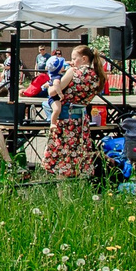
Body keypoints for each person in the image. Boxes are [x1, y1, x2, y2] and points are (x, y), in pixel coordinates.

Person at [43, 44, 106, 179]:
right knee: (80, 155)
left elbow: (54, 91)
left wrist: (50, 86)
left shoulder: (73, 72)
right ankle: (81, 188)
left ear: (83, 58)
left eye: (74, 58)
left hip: (66, 120)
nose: (71, 61)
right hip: (82, 121)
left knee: (63, 157)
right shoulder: (97, 76)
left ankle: (62, 193)